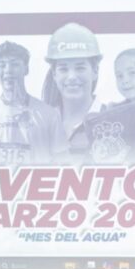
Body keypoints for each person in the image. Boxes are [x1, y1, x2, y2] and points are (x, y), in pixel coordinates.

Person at [41, 22, 105, 164]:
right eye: (63, 69)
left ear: (95, 71)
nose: (71, 77)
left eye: (80, 68)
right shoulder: (40, 124)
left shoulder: (114, 122)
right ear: (54, 74)